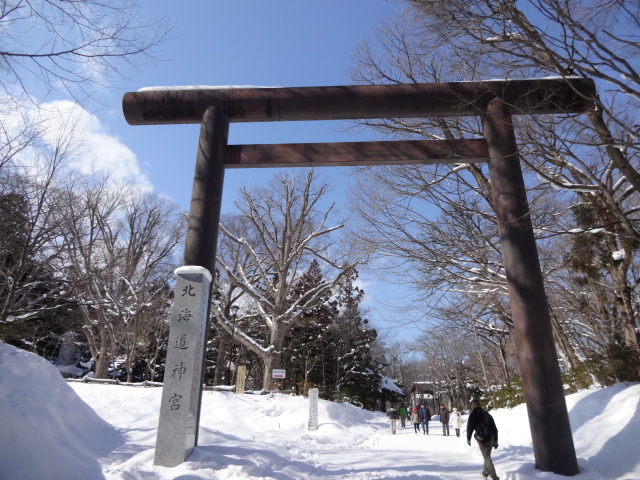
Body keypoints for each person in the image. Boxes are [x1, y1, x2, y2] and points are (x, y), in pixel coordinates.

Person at [467, 399, 499, 480]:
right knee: (487, 456)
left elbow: (469, 428)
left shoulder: (472, 415)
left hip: (481, 439)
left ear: (472, 406)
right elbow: (494, 428)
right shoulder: (487, 414)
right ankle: (485, 472)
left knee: (487, 457)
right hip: (490, 437)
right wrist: (495, 441)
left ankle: (494, 477)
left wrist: (468, 439)